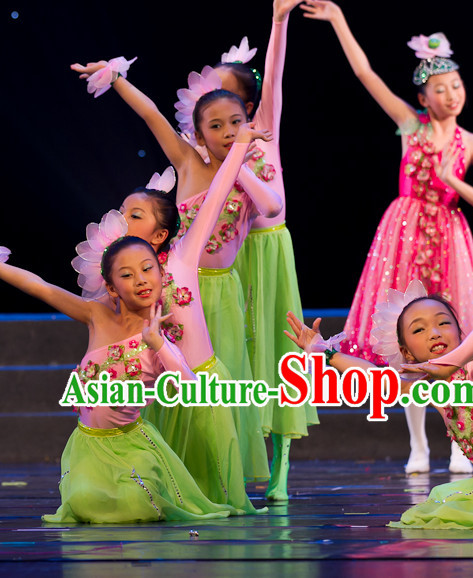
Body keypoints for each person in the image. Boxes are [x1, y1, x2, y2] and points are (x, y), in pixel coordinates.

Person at [301, 0, 473, 474]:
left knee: (451, 338)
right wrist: (338, 20)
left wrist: (453, 183)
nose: (451, 95)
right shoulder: (411, 127)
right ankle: (418, 443)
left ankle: (459, 441)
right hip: (405, 236)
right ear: (424, 98)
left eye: (456, 85)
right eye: (440, 89)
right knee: (407, 338)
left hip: (449, 238)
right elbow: (365, 74)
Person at [70, 57, 283, 483]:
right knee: (166, 375)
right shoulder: (187, 161)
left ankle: (218, 475)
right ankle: (165, 473)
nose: (227, 132)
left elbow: (272, 207)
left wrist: (239, 161)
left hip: (221, 291)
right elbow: (151, 114)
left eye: (235, 123)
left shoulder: (250, 172)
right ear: (199, 134)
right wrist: (117, 79)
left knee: (216, 378)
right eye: (216, 126)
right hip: (173, 285)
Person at [0, 236, 261, 523]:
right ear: (112, 287)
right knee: (82, 501)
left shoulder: (161, 342)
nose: (140, 280)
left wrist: (158, 344)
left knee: (135, 501)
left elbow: (191, 388)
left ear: (161, 274)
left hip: (132, 447)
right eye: (127, 275)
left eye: (147, 269)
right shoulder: (96, 316)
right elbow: (40, 286)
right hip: (89, 446)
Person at [284, 280, 473, 529]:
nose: (434, 333)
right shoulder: (428, 389)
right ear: (407, 352)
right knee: (448, 508)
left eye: (444, 323)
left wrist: (449, 364)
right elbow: (376, 376)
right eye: (419, 330)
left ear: (459, 333)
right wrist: (326, 352)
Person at [195, 0, 318, 501]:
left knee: (280, 350)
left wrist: (279, 19)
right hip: (234, 259)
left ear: (247, 103)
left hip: (272, 253)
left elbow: (275, 73)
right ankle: (240, 458)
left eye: (225, 91)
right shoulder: (211, 148)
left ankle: (283, 462)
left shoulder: (264, 130)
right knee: (241, 355)